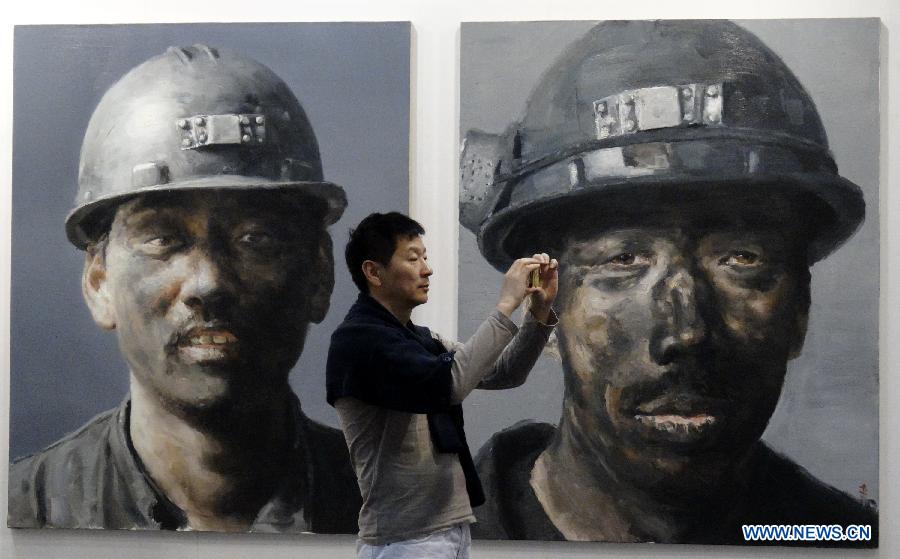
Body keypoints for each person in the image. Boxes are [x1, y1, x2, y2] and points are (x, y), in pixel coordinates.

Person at [459, 20, 877, 546]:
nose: (686, 332)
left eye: (740, 259)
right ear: (549, 308)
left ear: (800, 310)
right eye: (624, 258)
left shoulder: (843, 539)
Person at [8, 44, 360, 532]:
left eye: (255, 239)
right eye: (162, 240)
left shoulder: (401, 503)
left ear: (320, 274)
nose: (208, 283)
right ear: (98, 281)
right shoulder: (23, 512)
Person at [326, 212, 558, 557]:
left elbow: (505, 372)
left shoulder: (419, 341)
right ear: (374, 272)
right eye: (412, 258)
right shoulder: (360, 341)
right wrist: (506, 304)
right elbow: (450, 385)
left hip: (446, 531)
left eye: (425, 257)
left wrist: (539, 313)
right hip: (407, 539)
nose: (427, 269)